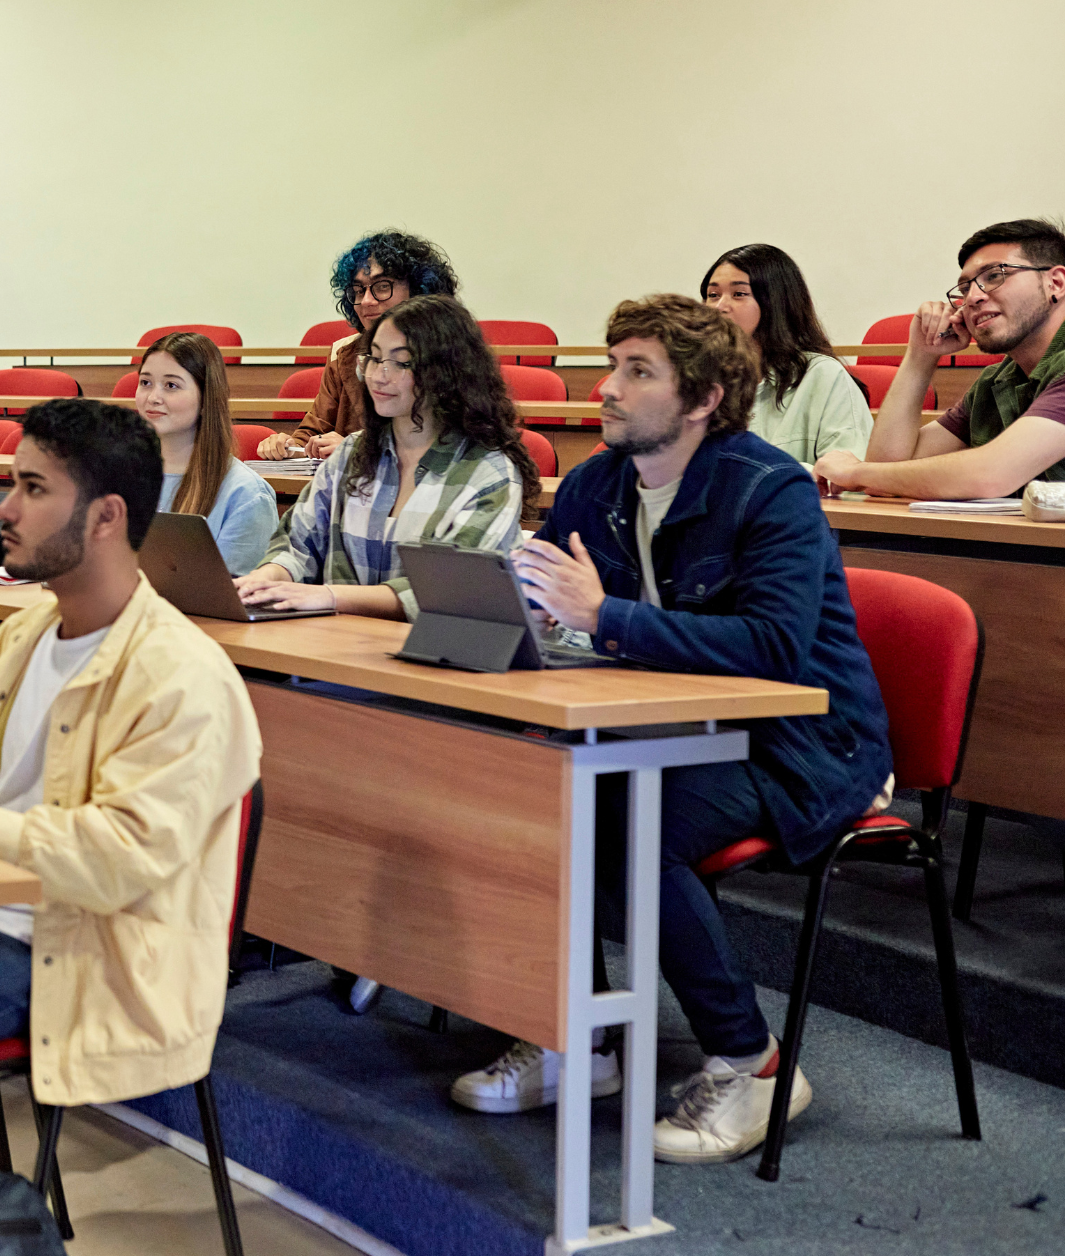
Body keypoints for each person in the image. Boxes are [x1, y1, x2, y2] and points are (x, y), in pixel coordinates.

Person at [463, 294, 891, 1165]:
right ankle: (574, 1037)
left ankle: (754, 1061)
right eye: (611, 364)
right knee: (533, 791)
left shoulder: (770, 492)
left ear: (700, 401)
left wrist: (605, 614)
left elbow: (773, 649)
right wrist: (517, 608)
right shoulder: (597, 482)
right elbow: (555, 605)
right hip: (667, 725)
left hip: (800, 743)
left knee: (622, 818)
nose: (606, 388)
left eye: (637, 371)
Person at [0, 398, 259, 1108]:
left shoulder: (183, 676)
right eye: (12, 485)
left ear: (106, 517)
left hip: (75, 955)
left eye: (33, 489)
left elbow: (111, 861)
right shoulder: (24, 635)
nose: (5, 510)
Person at [236, 295, 536, 619]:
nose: (379, 375)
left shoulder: (490, 472)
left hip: (433, 659)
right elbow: (296, 543)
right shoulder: (352, 452)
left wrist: (329, 596)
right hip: (333, 647)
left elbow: (446, 590)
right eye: (375, 359)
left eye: (401, 362)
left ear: (446, 373)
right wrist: (262, 581)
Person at [814, 218, 1065, 498]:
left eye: (995, 275)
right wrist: (921, 355)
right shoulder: (996, 382)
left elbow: (990, 476)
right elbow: (888, 468)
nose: (973, 297)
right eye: (965, 288)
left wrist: (854, 472)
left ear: (1056, 283)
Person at [261, 230, 459, 460]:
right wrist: (286, 445)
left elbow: (451, 440)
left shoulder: (449, 350)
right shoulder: (345, 353)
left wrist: (358, 447)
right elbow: (313, 433)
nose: (366, 301)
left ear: (418, 289)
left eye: (382, 286)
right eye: (358, 290)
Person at [698, 243, 869, 462]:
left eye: (739, 294)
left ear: (776, 302)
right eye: (713, 295)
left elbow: (847, 476)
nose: (720, 306)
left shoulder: (823, 375)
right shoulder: (698, 376)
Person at [138, 330, 279, 574]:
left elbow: (234, 600)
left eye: (171, 385)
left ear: (206, 398)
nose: (153, 397)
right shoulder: (121, 477)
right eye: (145, 382)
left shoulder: (246, 494)